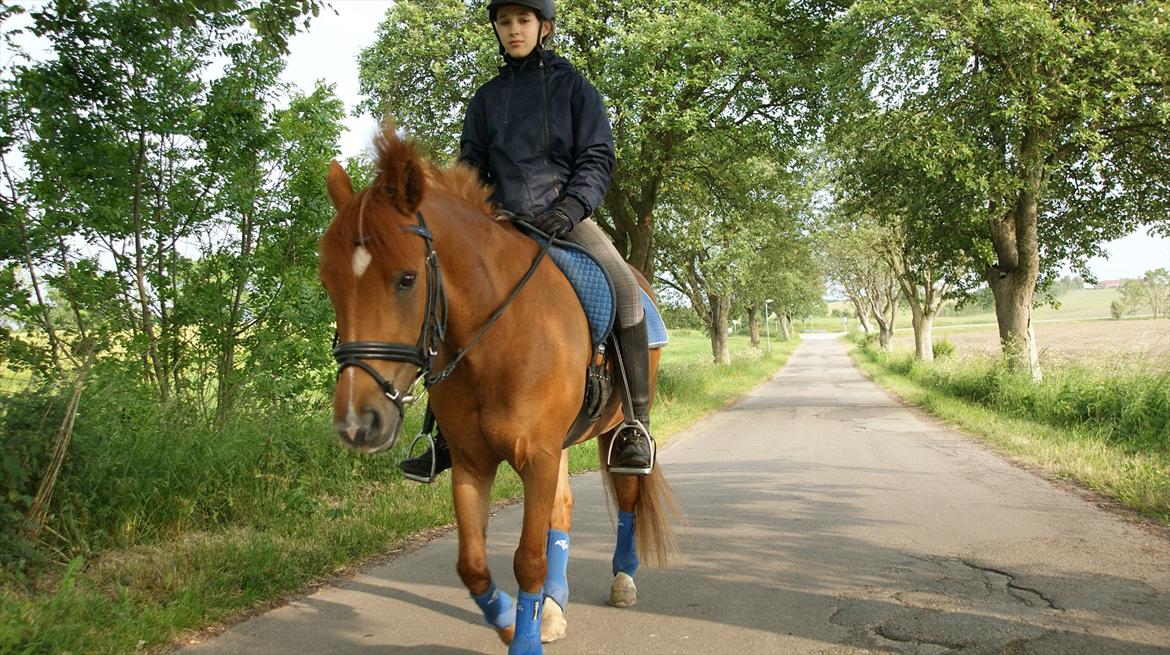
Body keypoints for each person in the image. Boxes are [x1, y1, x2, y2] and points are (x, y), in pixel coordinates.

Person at [398, 0, 655, 480]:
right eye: (504, 22)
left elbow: (596, 159)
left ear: (545, 27)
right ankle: (441, 435)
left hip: (566, 217)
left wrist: (569, 209)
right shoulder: (485, 100)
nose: (513, 30)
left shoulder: (576, 90)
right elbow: (470, 169)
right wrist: (477, 217)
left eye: (523, 21)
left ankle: (634, 427)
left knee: (623, 285)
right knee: (448, 293)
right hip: (501, 223)